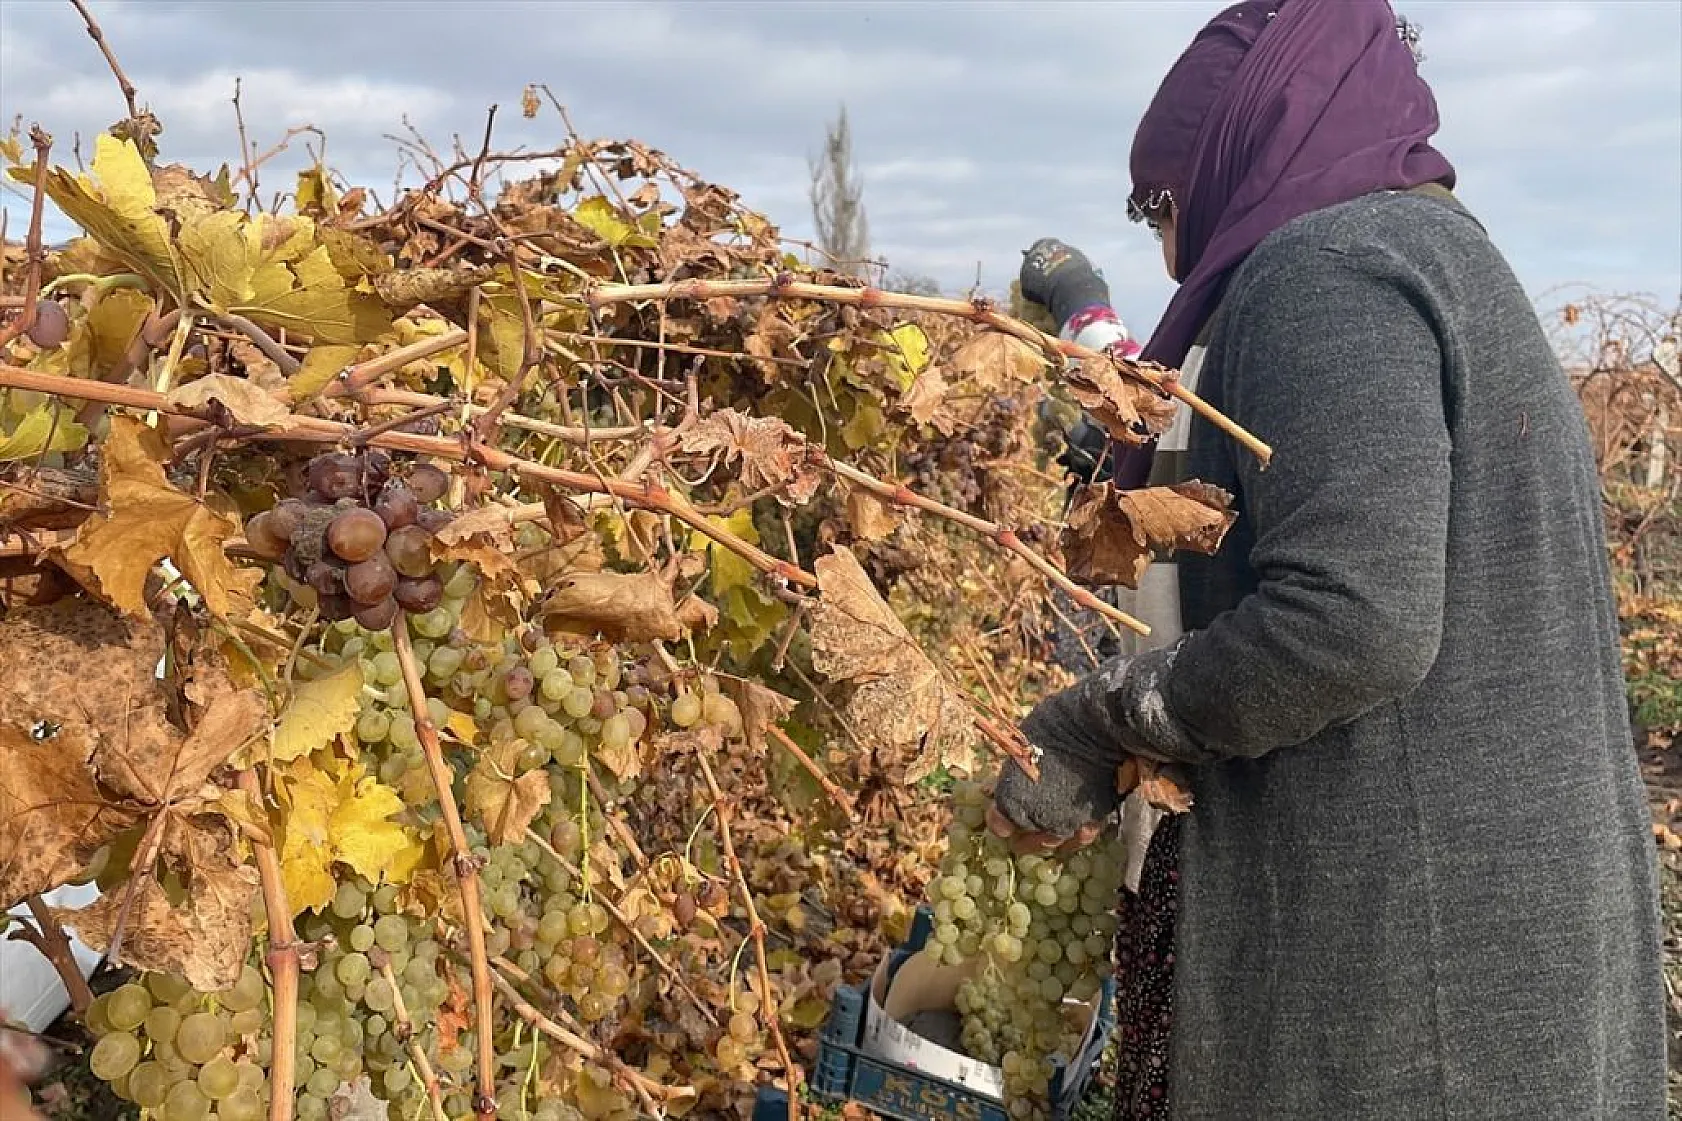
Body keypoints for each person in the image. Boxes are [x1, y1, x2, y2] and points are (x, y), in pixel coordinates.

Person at [998, 2, 1668, 1119]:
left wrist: (1096, 719)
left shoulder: (1326, 273)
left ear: (1246, 148)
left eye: (1162, 203)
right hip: (1477, 950)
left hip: (1404, 991)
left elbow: (1348, 619)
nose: (1168, 243)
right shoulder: (1427, 256)